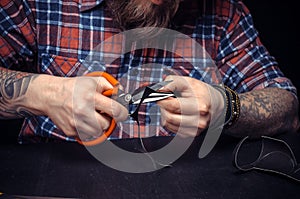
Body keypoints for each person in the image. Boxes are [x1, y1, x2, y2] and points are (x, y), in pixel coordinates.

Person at [0, 0, 299, 144]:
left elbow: (287, 108)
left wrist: (227, 107)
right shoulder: (39, 4)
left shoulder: (223, 12)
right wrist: (44, 93)